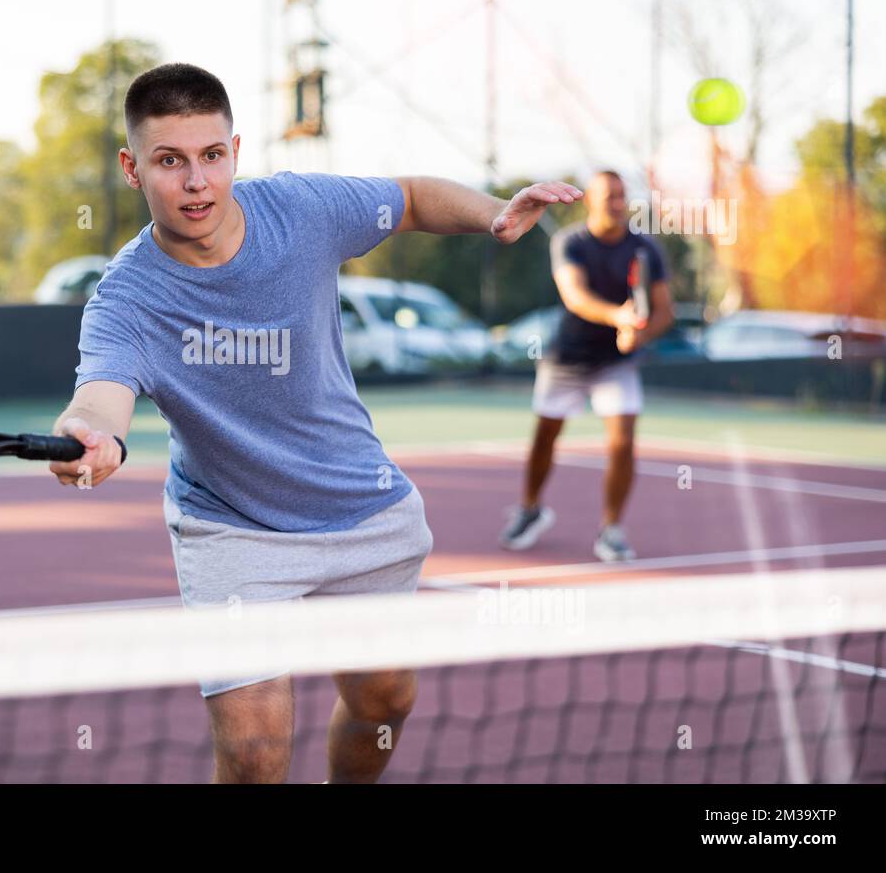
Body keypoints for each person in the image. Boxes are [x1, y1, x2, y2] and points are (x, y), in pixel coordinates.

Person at [49, 62, 580, 783]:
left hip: (359, 505)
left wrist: (492, 212)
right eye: (170, 161)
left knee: (386, 702)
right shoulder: (126, 298)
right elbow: (99, 395)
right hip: (232, 528)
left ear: (235, 151)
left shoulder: (300, 209)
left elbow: (413, 197)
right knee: (255, 753)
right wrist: (93, 434)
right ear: (132, 168)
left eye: (211, 156)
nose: (196, 181)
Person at [499, 170, 674, 562]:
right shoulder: (570, 241)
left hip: (616, 363)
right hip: (567, 358)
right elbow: (575, 297)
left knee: (623, 440)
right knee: (545, 437)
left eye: (620, 195)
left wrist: (640, 335)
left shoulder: (646, 249)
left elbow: (664, 312)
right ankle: (530, 509)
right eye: (608, 195)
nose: (616, 202)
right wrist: (621, 319)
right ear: (590, 201)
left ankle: (611, 530)